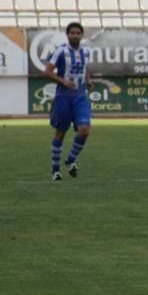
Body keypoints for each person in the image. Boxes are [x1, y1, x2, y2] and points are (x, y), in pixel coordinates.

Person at [44, 21, 92, 181]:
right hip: (63, 96)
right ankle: (55, 170)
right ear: (68, 34)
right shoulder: (60, 51)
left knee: (84, 130)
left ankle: (70, 160)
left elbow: (85, 68)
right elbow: (48, 72)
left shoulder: (86, 51)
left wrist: (88, 80)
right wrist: (63, 82)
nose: (75, 35)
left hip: (80, 96)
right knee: (60, 133)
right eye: (72, 33)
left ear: (81, 35)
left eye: (78, 33)